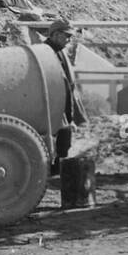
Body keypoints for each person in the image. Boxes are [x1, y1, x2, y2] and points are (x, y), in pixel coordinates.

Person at [42, 17, 89, 169]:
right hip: (54, 112)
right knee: (58, 150)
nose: (69, 40)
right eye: (66, 36)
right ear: (55, 35)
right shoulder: (46, 53)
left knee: (63, 148)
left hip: (62, 112)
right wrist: (67, 119)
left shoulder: (59, 52)